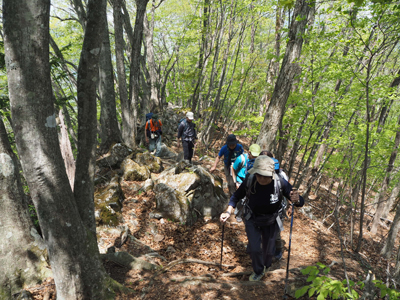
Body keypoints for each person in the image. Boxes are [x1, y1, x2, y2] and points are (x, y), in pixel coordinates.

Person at [220, 155, 304, 281]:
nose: (261, 178)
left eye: (265, 175)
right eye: (259, 174)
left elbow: (300, 201)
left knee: (269, 252)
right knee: (254, 249)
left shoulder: (280, 182)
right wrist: (228, 211)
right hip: (252, 218)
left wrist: (296, 200)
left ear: (271, 174)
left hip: (272, 220)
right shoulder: (250, 179)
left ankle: (266, 266)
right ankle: (258, 271)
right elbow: (236, 196)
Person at [260, 150, 289, 261]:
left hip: (277, 208)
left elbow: (287, 190)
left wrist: (291, 203)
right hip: (261, 207)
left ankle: (277, 250)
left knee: (275, 232)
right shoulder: (256, 172)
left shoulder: (280, 175)